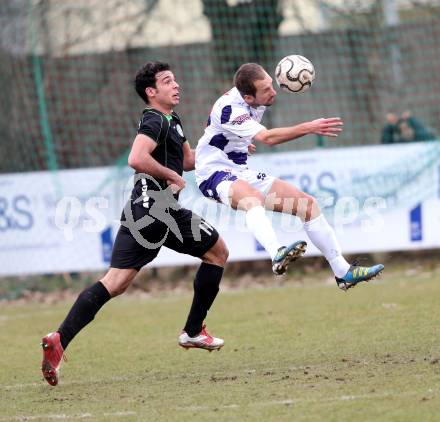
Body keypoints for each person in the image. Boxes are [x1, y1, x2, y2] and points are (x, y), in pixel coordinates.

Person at [41, 61, 228, 387]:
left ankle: (59, 339)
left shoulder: (172, 120)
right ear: (151, 92)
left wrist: (226, 150)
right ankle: (194, 330)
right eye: (168, 81)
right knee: (218, 252)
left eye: (175, 79)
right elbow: (136, 158)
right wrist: (171, 177)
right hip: (159, 208)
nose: (176, 85)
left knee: (115, 282)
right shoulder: (154, 119)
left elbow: (187, 160)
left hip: (141, 211)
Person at [195, 62, 384, 289]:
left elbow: (219, 130)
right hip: (212, 174)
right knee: (251, 198)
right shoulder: (231, 108)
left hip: (238, 170)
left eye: (271, 85)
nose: (274, 91)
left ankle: (343, 272)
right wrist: (309, 127)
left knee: (307, 205)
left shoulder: (251, 99)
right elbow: (268, 138)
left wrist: (238, 143)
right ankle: (277, 254)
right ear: (248, 97)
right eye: (266, 90)